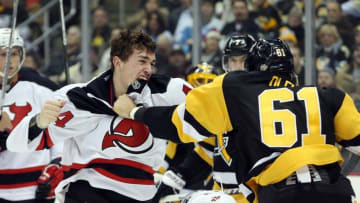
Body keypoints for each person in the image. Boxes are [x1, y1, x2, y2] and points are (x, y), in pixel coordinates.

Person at [113, 38, 359, 203]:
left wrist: (136, 112)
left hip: (275, 194)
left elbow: (178, 124)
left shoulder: (233, 90)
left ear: (252, 69)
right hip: (335, 191)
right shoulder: (329, 96)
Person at [7, 29, 192, 203]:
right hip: (84, 193)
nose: (148, 70)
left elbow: (210, 112)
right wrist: (38, 121)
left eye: (152, 63)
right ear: (117, 62)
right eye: (142, 61)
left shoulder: (168, 91)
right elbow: (15, 143)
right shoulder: (77, 98)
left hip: (140, 195)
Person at [155, 35, 257, 203]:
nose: (238, 67)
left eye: (244, 60)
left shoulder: (264, 98)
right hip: (222, 192)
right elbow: (207, 152)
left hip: (253, 192)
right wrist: (176, 177)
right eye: (233, 61)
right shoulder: (218, 98)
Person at [0, 28, 63, 202]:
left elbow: (59, 134)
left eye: (13, 54)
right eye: (2, 54)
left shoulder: (40, 91)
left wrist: (57, 163)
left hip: (35, 189)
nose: (8, 61)